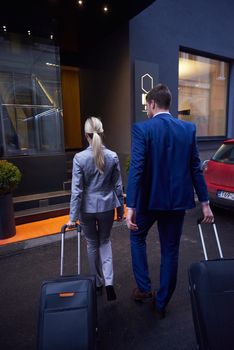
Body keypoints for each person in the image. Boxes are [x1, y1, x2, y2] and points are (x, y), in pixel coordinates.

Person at [126, 84, 214, 318]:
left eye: (147, 104)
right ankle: (162, 302)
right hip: (176, 204)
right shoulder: (188, 129)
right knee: (170, 250)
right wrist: (204, 202)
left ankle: (144, 288)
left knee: (136, 236)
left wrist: (130, 206)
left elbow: (136, 169)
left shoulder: (142, 130)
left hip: (148, 202)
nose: (146, 108)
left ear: (153, 104)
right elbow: (195, 168)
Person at [67, 116, 124, 301]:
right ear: (102, 132)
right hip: (107, 205)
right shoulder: (113, 156)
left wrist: (72, 217)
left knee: (92, 244)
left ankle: (97, 282)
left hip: (87, 208)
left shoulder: (79, 158)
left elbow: (76, 190)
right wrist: (121, 210)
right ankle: (109, 283)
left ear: (86, 135)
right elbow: (118, 186)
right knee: (105, 242)